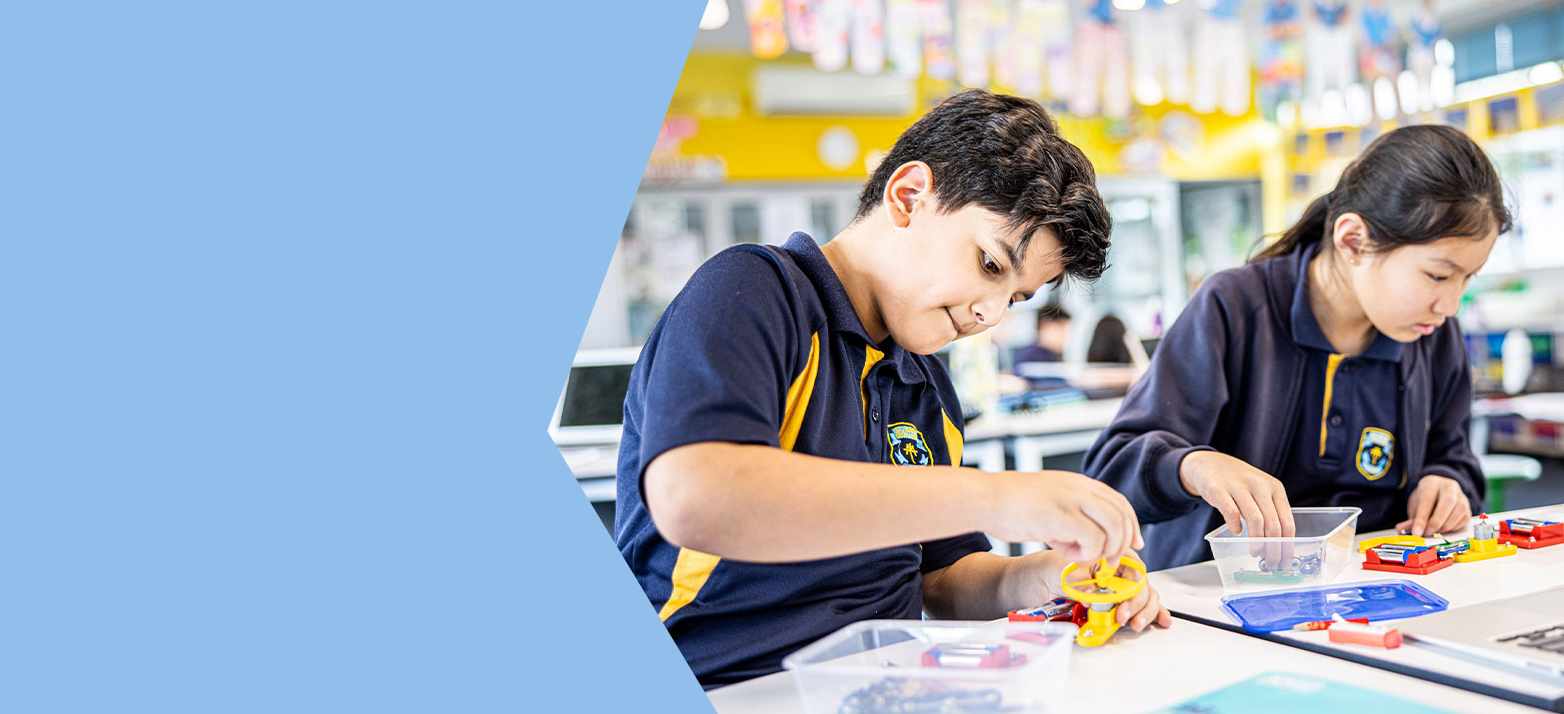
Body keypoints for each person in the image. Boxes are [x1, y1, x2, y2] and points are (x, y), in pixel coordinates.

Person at [614, 90, 1170, 688]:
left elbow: (945, 579)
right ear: (908, 197)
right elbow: (696, 496)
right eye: (989, 265)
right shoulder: (753, 288)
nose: (991, 314)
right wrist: (996, 494)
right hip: (732, 686)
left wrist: (1054, 575)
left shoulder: (927, 381)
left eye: (1014, 297)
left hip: (888, 686)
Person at [1083, 124, 1509, 569]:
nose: (1451, 303)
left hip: (1384, 584)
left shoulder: (1431, 332)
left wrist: (1446, 482)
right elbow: (1111, 471)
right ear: (1352, 241)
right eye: (1438, 275)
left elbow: (1453, 454)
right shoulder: (1235, 308)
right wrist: (1193, 467)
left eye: (1468, 278)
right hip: (1230, 594)